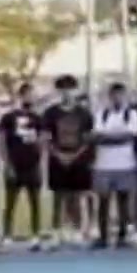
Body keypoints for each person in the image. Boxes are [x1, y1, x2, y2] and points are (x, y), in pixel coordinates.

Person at [44, 75, 94, 247]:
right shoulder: (50, 113)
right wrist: (58, 155)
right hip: (57, 159)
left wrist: (74, 155)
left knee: (77, 195)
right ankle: (57, 230)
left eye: (70, 89)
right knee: (58, 196)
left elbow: (87, 140)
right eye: (63, 89)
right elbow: (46, 138)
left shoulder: (84, 114)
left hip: (78, 159)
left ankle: (77, 229)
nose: (66, 92)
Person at [92, 82, 137, 249]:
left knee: (123, 201)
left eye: (120, 95)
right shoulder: (102, 114)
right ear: (110, 96)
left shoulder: (131, 114)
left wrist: (109, 138)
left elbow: (131, 136)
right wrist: (118, 137)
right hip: (103, 164)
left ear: (125, 96)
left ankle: (122, 235)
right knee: (103, 201)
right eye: (114, 95)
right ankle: (103, 236)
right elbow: (97, 136)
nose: (117, 98)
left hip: (125, 164)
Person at [0, 83, 46, 245]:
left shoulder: (38, 118)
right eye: (29, 95)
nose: (31, 98)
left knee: (35, 201)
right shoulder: (8, 117)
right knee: (10, 201)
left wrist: (39, 155)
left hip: (32, 165)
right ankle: (7, 234)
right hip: (14, 163)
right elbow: (2, 142)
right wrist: (7, 164)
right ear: (22, 96)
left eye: (33, 95)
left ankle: (35, 234)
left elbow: (42, 140)